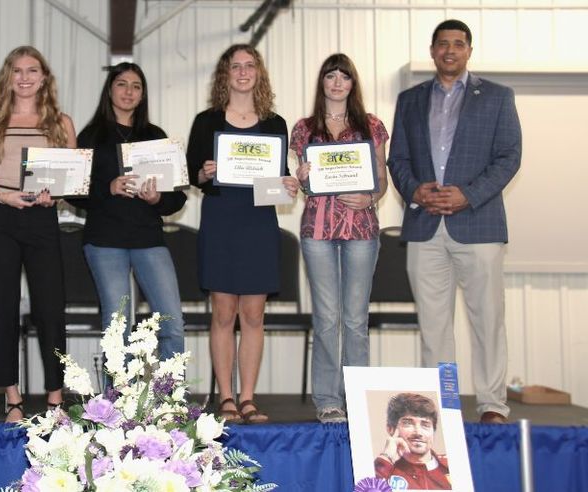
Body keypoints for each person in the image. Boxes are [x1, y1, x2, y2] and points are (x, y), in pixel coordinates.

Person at [387, 19, 521, 424]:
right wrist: (415, 191)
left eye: (458, 44)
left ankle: (493, 404)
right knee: (434, 326)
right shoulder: (410, 99)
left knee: (487, 321)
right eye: (442, 44)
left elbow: (509, 156)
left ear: (468, 51)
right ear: (432, 51)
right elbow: (398, 160)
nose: (450, 51)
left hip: (478, 225)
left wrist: (469, 194)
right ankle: (441, 407)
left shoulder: (497, 97)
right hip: (425, 226)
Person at [186, 44, 299, 424]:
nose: (243, 72)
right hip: (221, 220)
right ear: (225, 74)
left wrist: (288, 185)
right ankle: (227, 399)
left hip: (258, 223)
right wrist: (204, 172)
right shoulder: (206, 122)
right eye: (235, 66)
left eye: (250, 65)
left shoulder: (274, 123)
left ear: (259, 73)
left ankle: (248, 398)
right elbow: (191, 175)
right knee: (223, 312)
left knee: (253, 313)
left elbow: (276, 182)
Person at [0, 46, 76, 422]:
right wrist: (3, 195)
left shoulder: (61, 123)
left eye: (33, 71)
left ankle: (55, 397)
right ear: (8, 77)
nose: (25, 78)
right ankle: (11, 396)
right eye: (18, 71)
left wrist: (55, 195)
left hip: (43, 218)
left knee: (50, 308)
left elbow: (72, 179)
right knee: (4, 308)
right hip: (2, 216)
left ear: (44, 77)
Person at [291, 54, 389, 423]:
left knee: (354, 319)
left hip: (361, 229)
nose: (336, 83)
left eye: (343, 77)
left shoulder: (372, 125)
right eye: (330, 76)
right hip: (316, 230)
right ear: (322, 82)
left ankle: (358, 398)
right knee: (327, 318)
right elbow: (299, 183)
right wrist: (300, 177)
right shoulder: (303, 128)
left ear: (352, 83)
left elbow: (381, 179)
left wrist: (371, 196)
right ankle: (328, 400)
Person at [68, 62, 187, 361]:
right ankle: (117, 403)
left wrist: (157, 198)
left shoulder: (156, 135)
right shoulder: (91, 136)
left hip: (149, 239)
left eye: (136, 86)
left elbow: (177, 198)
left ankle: (169, 401)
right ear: (109, 90)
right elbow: (73, 193)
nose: (128, 91)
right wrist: (107, 188)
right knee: (117, 326)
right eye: (122, 84)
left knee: (171, 322)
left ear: (143, 94)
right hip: (105, 241)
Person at [374, 393, 451, 490]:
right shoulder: (382, 471)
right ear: (390, 429)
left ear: (433, 430)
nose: (418, 432)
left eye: (425, 424)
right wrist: (386, 458)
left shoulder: (451, 465)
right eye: (408, 423)